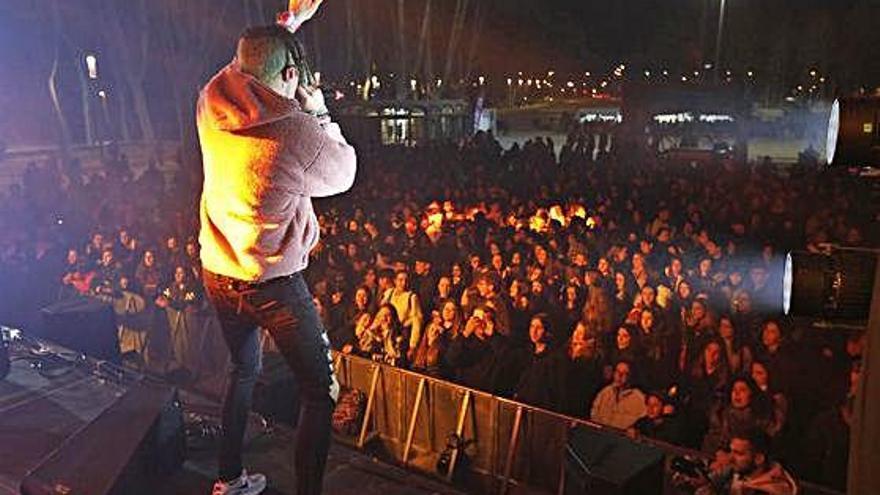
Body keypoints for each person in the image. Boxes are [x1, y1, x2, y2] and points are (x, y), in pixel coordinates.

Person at [197, 21, 356, 495]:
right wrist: (321, 110)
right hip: (274, 285)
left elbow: (240, 67)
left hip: (218, 270)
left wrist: (287, 26)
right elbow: (345, 169)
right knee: (321, 392)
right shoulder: (295, 132)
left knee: (243, 370)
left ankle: (228, 479)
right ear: (290, 74)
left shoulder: (210, 101)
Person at [694, 428, 797, 495]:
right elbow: (709, 481)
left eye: (739, 453)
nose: (731, 458)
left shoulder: (773, 490)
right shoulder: (737, 470)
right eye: (730, 451)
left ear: (758, 459)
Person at [590, 360, 647, 430]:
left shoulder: (639, 398)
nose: (620, 375)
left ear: (631, 376)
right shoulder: (605, 392)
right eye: (617, 371)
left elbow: (642, 423)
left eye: (625, 373)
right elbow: (594, 413)